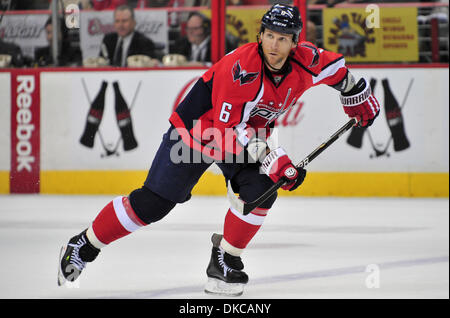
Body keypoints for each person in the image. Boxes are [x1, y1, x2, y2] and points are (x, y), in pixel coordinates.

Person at [58, 3, 380, 296]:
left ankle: (225, 261)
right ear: (260, 35)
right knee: (152, 205)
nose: (274, 45)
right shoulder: (242, 68)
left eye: (283, 39)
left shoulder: (306, 60)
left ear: (295, 42)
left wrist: (356, 96)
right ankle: (83, 246)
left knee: (263, 188)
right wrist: (274, 160)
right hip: (198, 132)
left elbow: (339, 73)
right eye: (269, 36)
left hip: (240, 134)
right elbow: (229, 132)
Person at [172, 11, 238, 66]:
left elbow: (226, 65)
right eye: (188, 28)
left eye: (195, 29)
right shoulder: (180, 44)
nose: (190, 32)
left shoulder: (221, 45)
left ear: (206, 29)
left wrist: (203, 65)